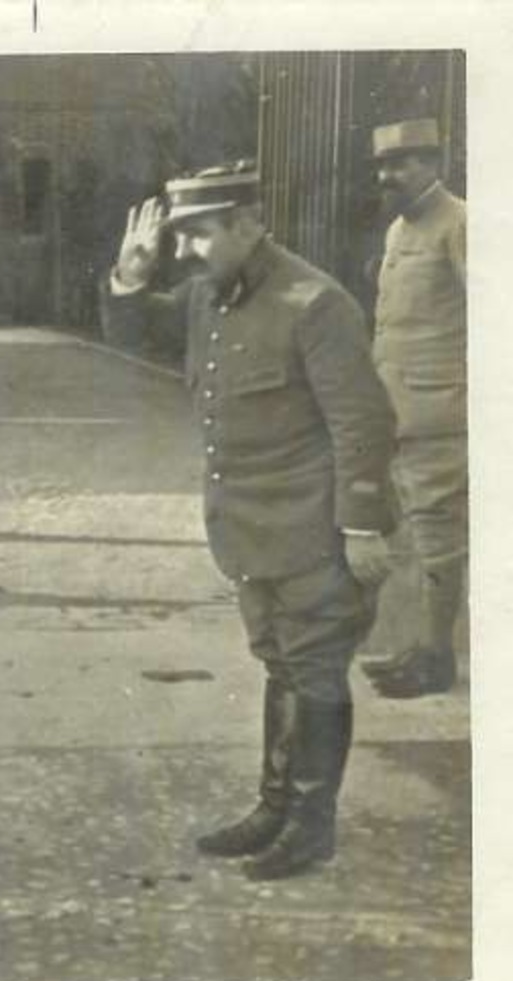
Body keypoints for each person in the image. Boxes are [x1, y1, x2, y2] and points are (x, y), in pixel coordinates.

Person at [101, 161, 396, 881]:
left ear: (247, 223)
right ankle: (275, 808)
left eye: (197, 236)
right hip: (248, 530)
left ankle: (310, 825)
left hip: (312, 529)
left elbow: (361, 421)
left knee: (315, 668)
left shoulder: (312, 302)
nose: (184, 253)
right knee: (280, 661)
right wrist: (128, 275)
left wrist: (360, 525)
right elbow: (139, 333)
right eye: (176, 240)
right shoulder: (213, 293)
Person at [357, 119, 468, 699]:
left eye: (402, 164)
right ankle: (419, 646)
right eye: (382, 166)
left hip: (440, 408)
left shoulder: (461, 223)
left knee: (439, 536)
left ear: (433, 163)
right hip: (398, 408)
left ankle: (437, 656)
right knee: (412, 532)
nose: (388, 176)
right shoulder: (400, 228)